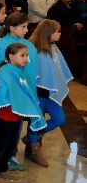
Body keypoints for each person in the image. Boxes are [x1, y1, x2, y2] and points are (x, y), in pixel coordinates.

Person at [0, 43, 46, 183]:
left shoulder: (19, 71)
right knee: (2, 144)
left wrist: (24, 106)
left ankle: (2, 170)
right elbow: (1, 95)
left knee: (10, 145)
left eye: (27, 55)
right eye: (22, 55)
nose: (26, 58)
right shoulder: (6, 72)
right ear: (11, 56)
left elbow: (25, 93)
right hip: (5, 115)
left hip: (16, 116)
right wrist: (16, 103)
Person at [25, 19, 73, 167]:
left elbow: (58, 72)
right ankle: (34, 148)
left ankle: (32, 137)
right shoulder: (34, 50)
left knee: (59, 118)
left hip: (51, 94)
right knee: (36, 121)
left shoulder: (54, 48)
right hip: (38, 94)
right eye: (57, 31)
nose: (60, 34)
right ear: (48, 33)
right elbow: (31, 73)